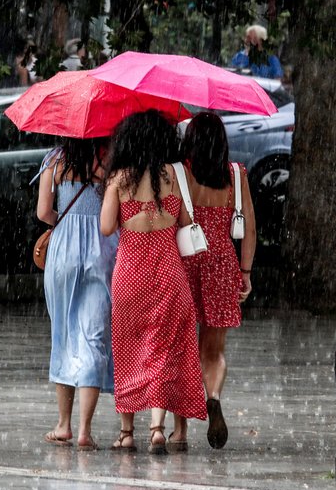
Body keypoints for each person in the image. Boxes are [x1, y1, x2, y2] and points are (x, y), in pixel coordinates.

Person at [100, 111, 207, 453]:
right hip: (168, 274)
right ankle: (158, 428)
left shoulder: (119, 178)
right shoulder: (176, 176)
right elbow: (186, 220)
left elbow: (105, 227)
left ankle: (126, 431)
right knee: (163, 348)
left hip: (130, 274)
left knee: (128, 347)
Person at [169, 112, 257, 451]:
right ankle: (214, 396)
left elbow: (170, 220)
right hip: (223, 264)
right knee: (214, 350)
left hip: (187, 261)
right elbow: (249, 227)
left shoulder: (181, 174)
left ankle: (179, 431)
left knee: (181, 347)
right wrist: (245, 272)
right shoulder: (235, 175)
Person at [37, 137, 118, 451]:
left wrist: (67, 222)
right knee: (94, 337)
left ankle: (63, 424)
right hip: (103, 251)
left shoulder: (54, 161)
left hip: (63, 252)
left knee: (64, 334)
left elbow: (44, 211)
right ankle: (85, 429)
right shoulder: (108, 162)